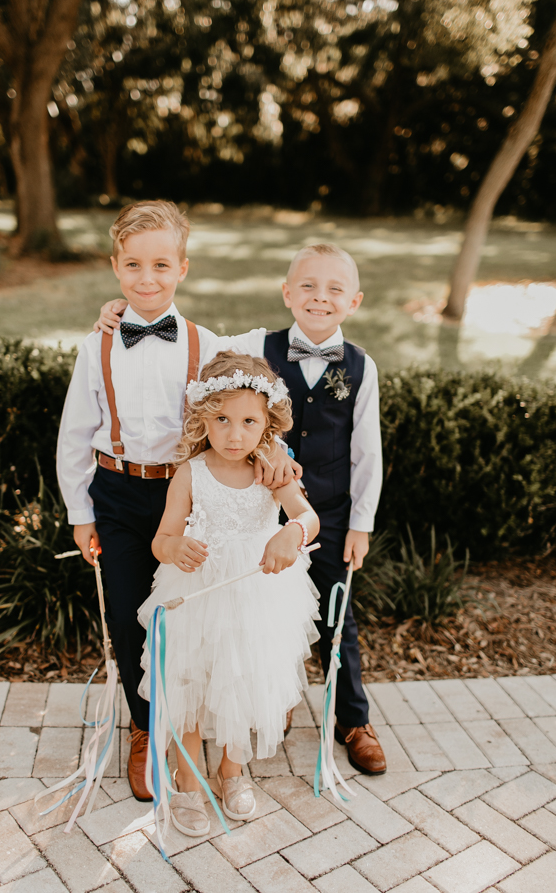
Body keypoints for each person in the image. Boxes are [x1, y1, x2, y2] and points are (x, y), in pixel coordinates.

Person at [96, 240, 387, 775]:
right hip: (252, 499)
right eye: (307, 286)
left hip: (324, 511)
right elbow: (198, 348)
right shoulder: (255, 344)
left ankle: (352, 718)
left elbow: (369, 451)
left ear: (355, 301)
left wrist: (361, 525)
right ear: (286, 293)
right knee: (238, 634)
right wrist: (127, 311)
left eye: (334, 289)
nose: (319, 298)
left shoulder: (362, 367)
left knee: (337, 618)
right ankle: (218, 734)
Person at [56, 200, 300, 803]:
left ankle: (204, 724)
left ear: (182, 269)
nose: (147, 278)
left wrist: (275, 455)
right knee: (126, 614)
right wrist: (80, 512)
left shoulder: (207, 343)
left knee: (187, 615)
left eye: (161, 265)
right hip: (116, 492)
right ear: (116, 267)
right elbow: (73, 434)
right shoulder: (98, 347)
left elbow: (248, 395)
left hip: (185, 496)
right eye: (133, 265)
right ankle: (146, 728)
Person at [138, 351, 320, 837]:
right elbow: (160, 541)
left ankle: (232, 769)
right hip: (197, 592)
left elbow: (307, 518)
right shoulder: (190, 473)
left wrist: (291, 535)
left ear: (267, 423)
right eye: (221, 420)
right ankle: (189, 779)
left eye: (247, 421)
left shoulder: (270, 470)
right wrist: (175, 546)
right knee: (189, 684)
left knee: (244, 678)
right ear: (203, 419)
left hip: (256, 593)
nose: (235, 434)